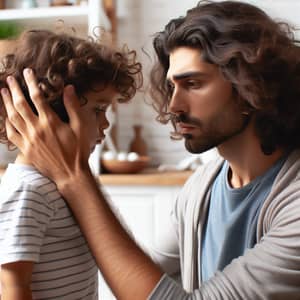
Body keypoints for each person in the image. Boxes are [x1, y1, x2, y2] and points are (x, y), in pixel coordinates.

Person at [1, 0, 300, 299]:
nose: (173, 106)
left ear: (252, 84)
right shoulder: (200, 189)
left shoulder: (294, 203)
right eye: (172, 86)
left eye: (193, 83)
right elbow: (139, 277)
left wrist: (73, 176)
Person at [0, 29, 142, 299]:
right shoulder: (28, 190)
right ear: (53, 110)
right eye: (98, 110)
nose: (106, 124)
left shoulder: (69, 180)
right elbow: (12, 286)